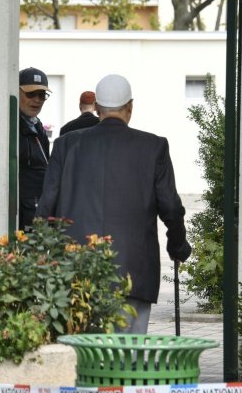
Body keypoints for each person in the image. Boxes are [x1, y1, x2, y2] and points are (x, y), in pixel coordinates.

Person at [37, 74, 191, 334]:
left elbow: (46, 206)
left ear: (97, 108)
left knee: (82, 355)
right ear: (130, 107)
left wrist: (39, 254)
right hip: (134, 271)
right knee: (127, 358)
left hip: (76, 271)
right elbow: (171, 207)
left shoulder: (65, 145)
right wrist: (178, 245)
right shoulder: (154, 146)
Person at [18, 67, 51, 228]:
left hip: (36, 210)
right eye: (31, 94)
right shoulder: (11, 125)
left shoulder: (38, 126)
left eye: (42, 95)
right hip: (20, 215)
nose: (37, 100)